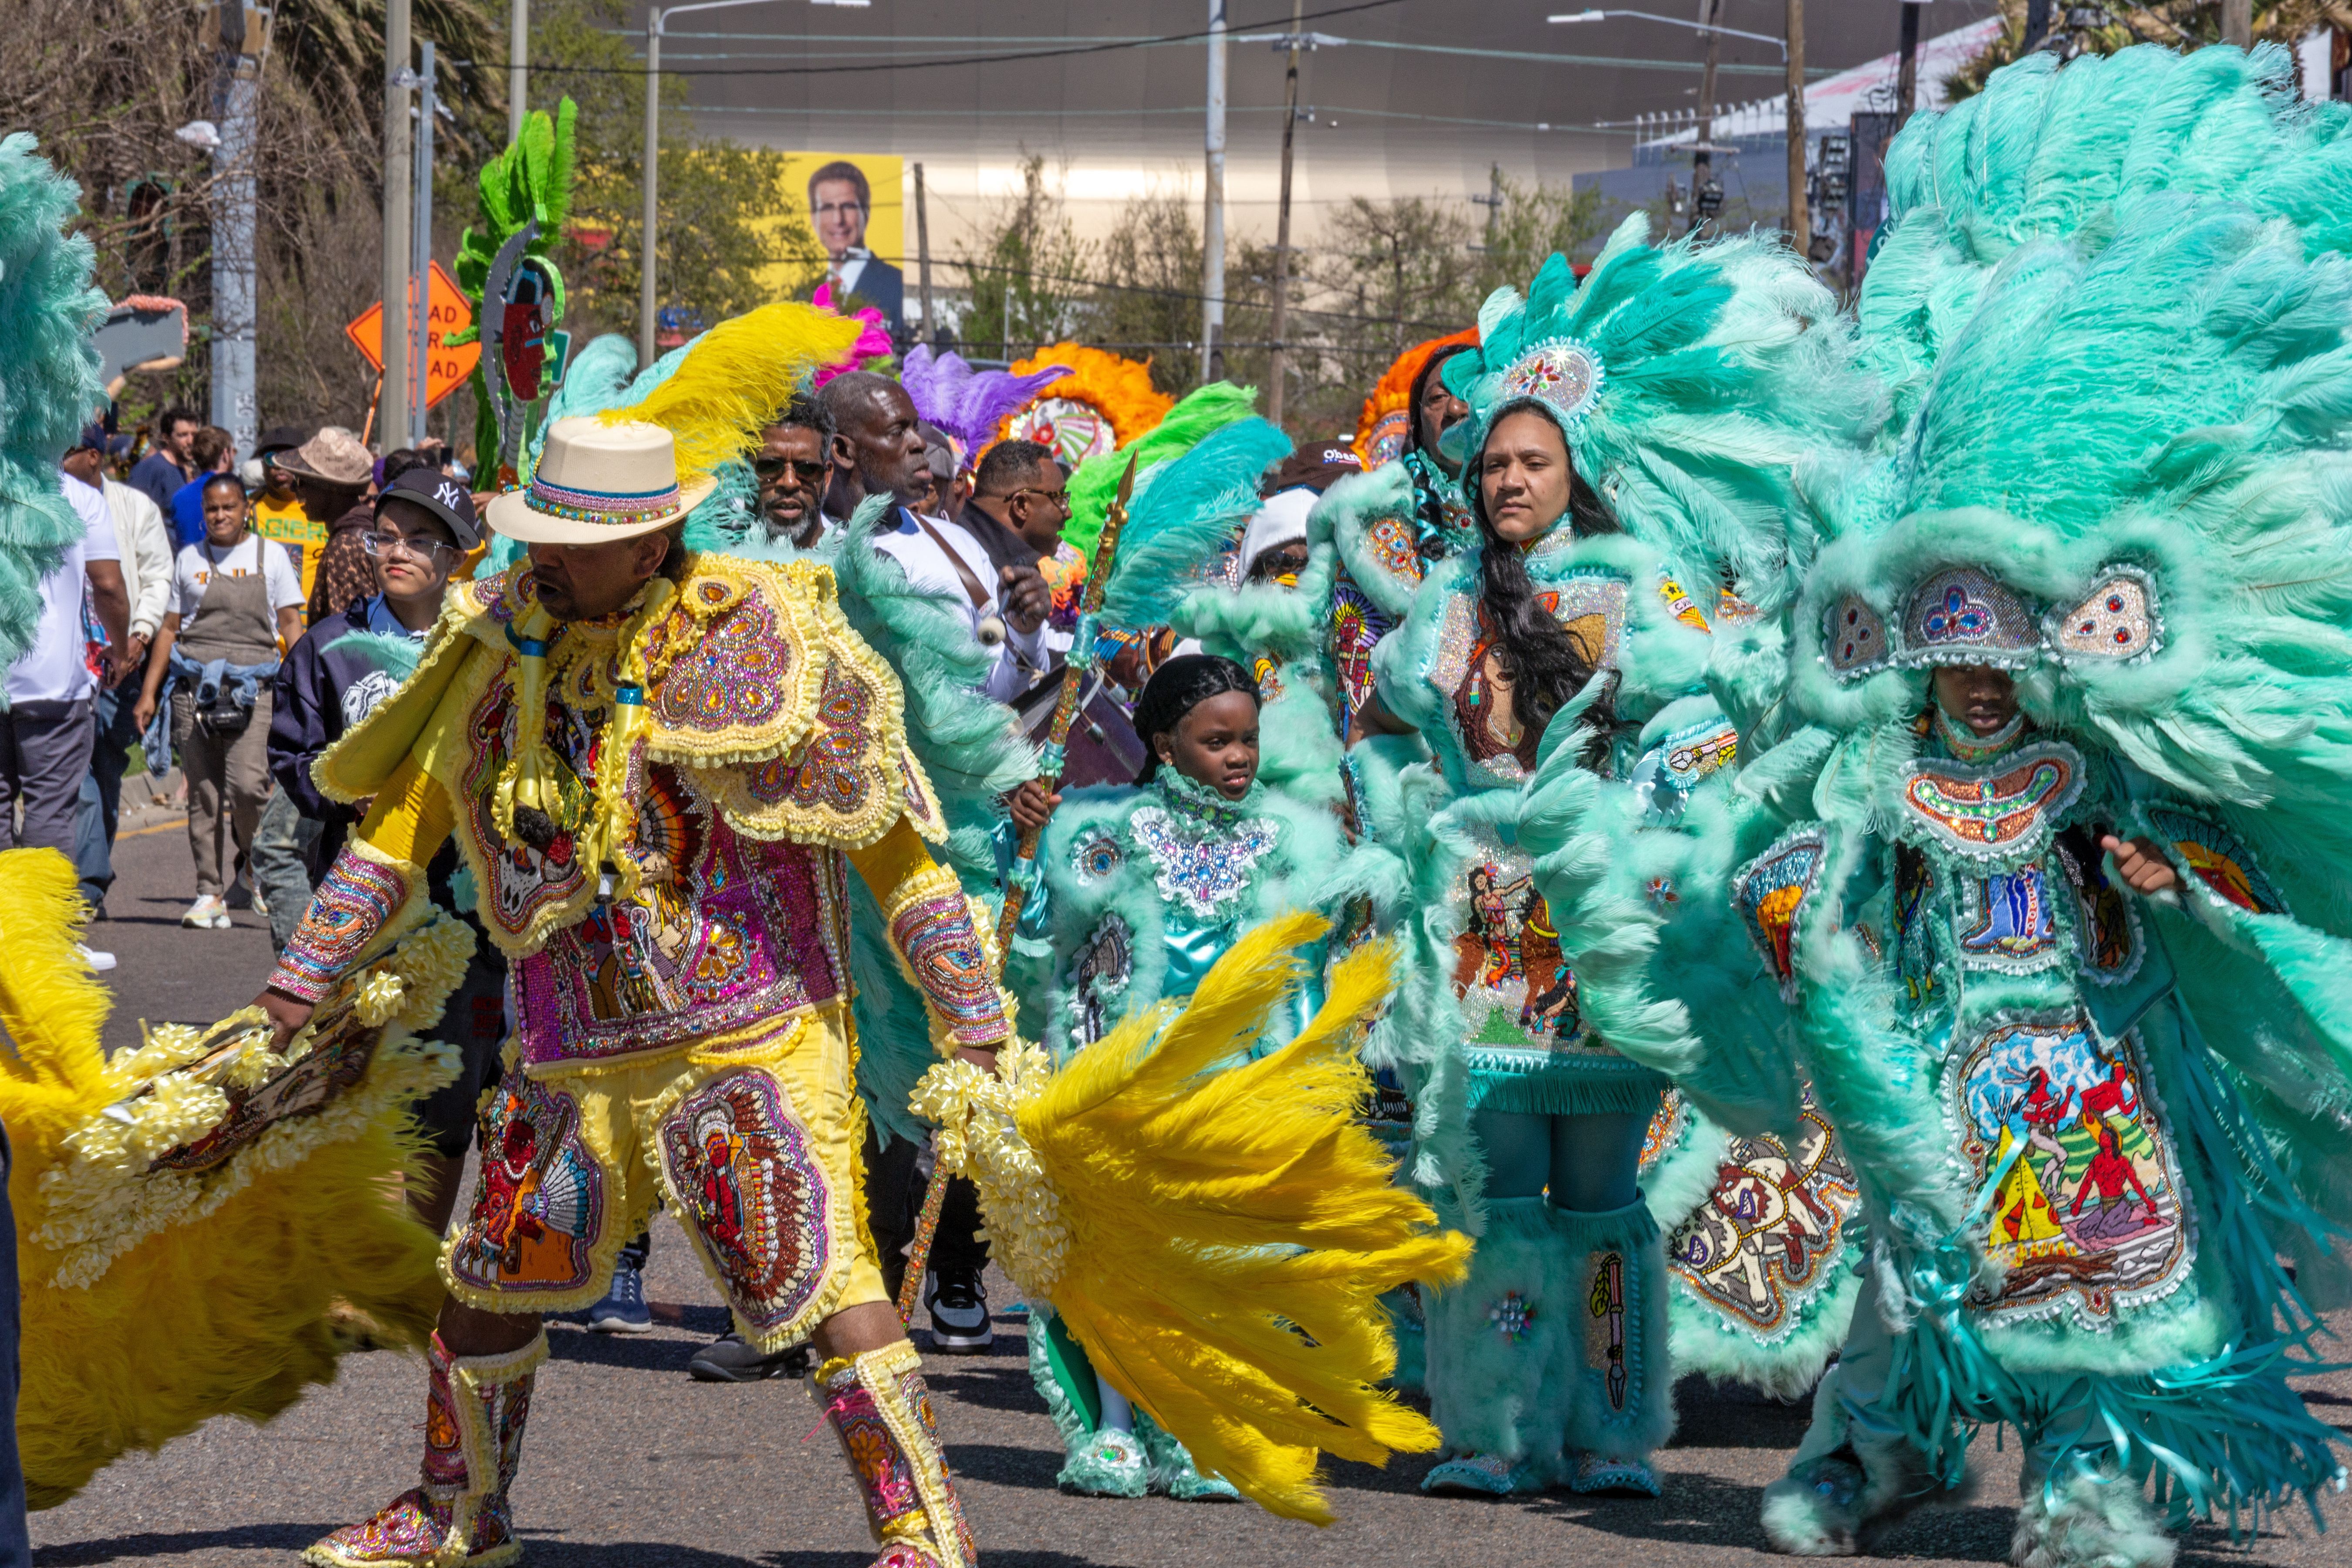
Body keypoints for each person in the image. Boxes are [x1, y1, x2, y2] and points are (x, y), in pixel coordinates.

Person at [268, 416, 1011, 1568]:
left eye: (569, 541)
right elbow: (400, 829)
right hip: (573, 1042)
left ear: (653, 540)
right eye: (537, 537)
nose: (541, 560)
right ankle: (458, 1512)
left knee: (824, 1282)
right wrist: (299, 979)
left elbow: (891, 846)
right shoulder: (504, 646)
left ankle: (925, 1529)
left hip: (748, 1034)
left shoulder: (762, 638)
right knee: (487, 1283)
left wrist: (970, 1010)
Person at [1002, 653, 1380, 1500]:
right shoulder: (1105, 829)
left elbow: (1316, 962)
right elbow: (1037, 933)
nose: (1238, 756)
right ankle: (1113, 1429)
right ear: (1166, 745)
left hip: (1237, 1075)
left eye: (1247, 739)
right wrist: (1024, 837)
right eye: (1217, 741)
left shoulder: (1293, 839)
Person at [267, 466, 505, 1237]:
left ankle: (414, 1255)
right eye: (386, 537)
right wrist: (344, 793)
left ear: (460, 553)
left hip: (465, 904)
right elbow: (294, 754)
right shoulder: (332, 648)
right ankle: (357, 1253)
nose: (397, 552)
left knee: (449, 1086)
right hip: (362, 895)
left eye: (421, 540)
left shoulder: (485, 646)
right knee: (353, 1070)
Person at [133, 471, 304, 930]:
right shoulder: (189, 558)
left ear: (246, 508)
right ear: (203, 512)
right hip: (194, 691)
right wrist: (151, 693)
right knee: (204, 795)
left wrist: (302, 684)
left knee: (249, 788)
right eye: (212, 509)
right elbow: (170, 629)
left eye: (229, 507)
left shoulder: (272, 558)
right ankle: (208, 892)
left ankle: (256, 865)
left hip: (255, 688)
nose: (220, 516)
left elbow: (290, 624)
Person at [821, 371, 1050, 703]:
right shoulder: (808, 557)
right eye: (898, 431)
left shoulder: (959, 547)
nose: (920, 443)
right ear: (842, 450)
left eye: (915, 427)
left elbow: (992, 696)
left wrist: (1027, 635)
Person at [6, 439, 130, 963]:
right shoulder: (78, 497)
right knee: (51, 813)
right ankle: (48, 942)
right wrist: (120, 648)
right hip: (52, 678)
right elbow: (108, 586)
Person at [66, 424, 174, 923]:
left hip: (117, 661)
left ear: (93, 456)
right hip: (65, 660)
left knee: (103, 772)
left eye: (66, 453)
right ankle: (84, 882)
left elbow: (156, 577)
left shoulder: (134, 507)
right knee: (76, 768)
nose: (58, 462)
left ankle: (90, 877)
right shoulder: (46, 502)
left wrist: (137, 636)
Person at [276, 427, 379, 623]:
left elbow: (347, 639)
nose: (294, 489)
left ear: (331, 489)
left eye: (302, 481)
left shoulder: (345, 548)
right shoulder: (367, 530)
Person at [808, 159, 903, 333]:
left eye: (848, 206)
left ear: (866, 214)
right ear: (814, 219)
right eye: (828, 208)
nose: (838, 220)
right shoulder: (804, 295)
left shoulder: (898, 286)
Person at [250, 423, 324, 601]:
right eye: (271, 458)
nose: (279, 464)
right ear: (263, 465)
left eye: (289, 457)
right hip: (263, 625)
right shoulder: (247, 510)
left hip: (315, 625)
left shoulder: (324, 510)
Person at [751, 393, 832, 550]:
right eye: (770, 467)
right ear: (745, 472)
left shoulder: (858, 568)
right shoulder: (713, 567)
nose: (789, 483)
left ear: (827, 478)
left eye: (808, 469)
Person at [167, 425, 236, 548]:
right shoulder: (234, 494)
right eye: (233, 451)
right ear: (226, 454)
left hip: (188, 563)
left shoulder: (180, 497)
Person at [127, 403, 199, 515]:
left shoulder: (191, 471)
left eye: (194, 435)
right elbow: (132, 513)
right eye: (183, 435)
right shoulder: (151, 469)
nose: (191, 441)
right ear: (166, 438)